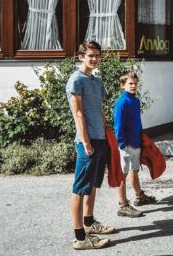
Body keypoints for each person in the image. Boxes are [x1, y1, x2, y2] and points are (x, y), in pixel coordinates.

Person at [66, 41, 114, 250]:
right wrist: (85, 142)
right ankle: (80, 237)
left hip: (100, 138)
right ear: (81, 57)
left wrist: (106, 133)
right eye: (90, 55)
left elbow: (100, 109)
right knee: (80, 188)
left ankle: (89, 222)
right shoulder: (76, 80)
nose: (94, 59)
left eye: (97, 55)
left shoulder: (97, 80)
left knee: (93, 184)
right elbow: (78, 114)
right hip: (87, 141)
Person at [113, 71, 156, 218]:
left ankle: (139, 196)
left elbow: (137, 121)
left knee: (134, 170)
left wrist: (142, 137)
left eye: (135, 83)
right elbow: (118, 125)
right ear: (122, 85)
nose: (133, 86)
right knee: (122, 174)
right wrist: (121, 144)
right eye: (130, 83)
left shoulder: (136, 101)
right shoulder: (121, 102)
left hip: (136, 142)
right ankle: (123, 205)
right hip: (125, 145)